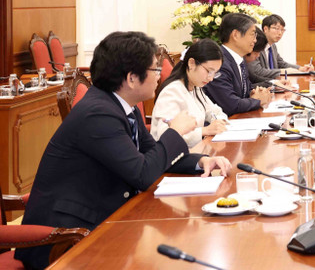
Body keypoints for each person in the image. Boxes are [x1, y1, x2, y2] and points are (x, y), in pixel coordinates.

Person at [16, 32, 231, 269]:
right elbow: (142, 173)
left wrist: (200, 162)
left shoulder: (122, 106)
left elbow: (154, 154)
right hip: (66, 236)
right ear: (131, 78)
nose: (160, 77)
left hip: (105, 216)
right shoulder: (98, 114)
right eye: (155, 71)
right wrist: (175, 133)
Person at [151, 39, 230, 148]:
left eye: (215, 74)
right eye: (209, 71)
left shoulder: (196, 88)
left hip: (194, 152)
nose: (211, 78)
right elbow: (165, 135)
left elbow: (214, 111)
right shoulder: (172, 92)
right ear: (191, 63)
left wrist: (220, 121)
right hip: (173, 159)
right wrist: (204, 131)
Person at [204, 13, 273, 116]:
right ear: (235, 35)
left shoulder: (239, 59)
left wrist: (255, 92)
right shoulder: (218, 62)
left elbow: (245, 90)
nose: (255, 40)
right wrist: (258, 101)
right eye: (252, 34)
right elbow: (231, 105)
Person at [247, 14, 314, 84]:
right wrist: (283, 71)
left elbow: (281, 63)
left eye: (282, 30)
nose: (280, 33)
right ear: (265, 29)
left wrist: (300, 68)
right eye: (276, 28)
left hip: (273, 84)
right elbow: (257, 71)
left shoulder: (272, 46)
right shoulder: (255, 45)